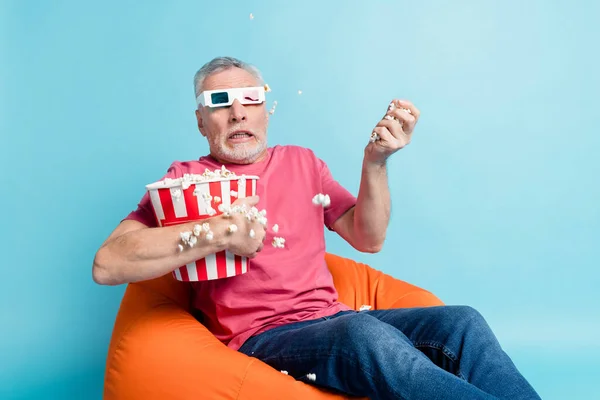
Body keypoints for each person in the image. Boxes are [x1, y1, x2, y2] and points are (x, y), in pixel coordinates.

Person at [92, 56, 541, 400]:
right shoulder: (185, 181)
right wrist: (220, 231)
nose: (237, 114)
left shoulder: (303, 163)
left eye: (251, 99)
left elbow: (369, 239)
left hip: (334, 319)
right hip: (263, 338)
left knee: (461, 322)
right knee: (364, 336)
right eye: (218, 103)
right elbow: (107, 263)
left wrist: (376, 162)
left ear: (267, 111)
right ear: (200, 121)